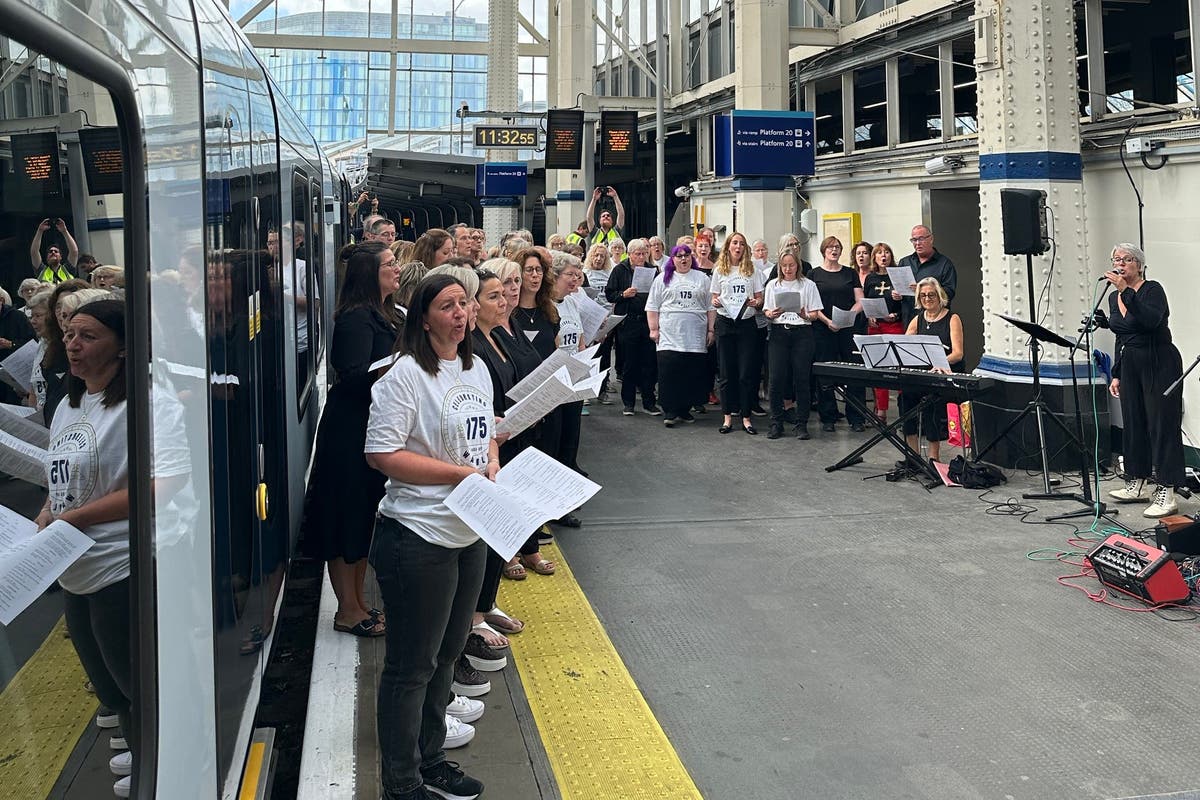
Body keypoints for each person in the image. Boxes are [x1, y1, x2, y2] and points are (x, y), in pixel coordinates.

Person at [40, 299, 189, 798]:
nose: (73, 346)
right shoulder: (70, 402)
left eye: (87, 336)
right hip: (74, 564)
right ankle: (145, 754)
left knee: (135, 685)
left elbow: (162, 484)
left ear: (123, 347)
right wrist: (48, 509)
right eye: (69, 336)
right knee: (108, 686)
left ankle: (165, 771)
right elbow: (62, 472)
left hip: (122, 564)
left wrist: (75, 517)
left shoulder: (149, 402)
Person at [365, 273, 494, 800]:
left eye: (465, 304)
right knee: (410, 666)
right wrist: (458, 475)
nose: (461, 314)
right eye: (448, 306)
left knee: (445, 657)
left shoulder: (476, 367)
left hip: (470, 530)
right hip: (417, 535)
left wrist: (489, 466)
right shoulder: (402, 376)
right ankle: (400, 780)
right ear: (423, 317)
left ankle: (432, 758)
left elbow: (485, 434)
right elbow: (381, 454)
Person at [298, 242, 401, 638]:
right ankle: (347, 610)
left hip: (372, 426)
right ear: (368, 274)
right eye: (389, 264)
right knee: (345, 519)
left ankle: (357, 602)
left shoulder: (385, 313)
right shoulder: (355, 319)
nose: (396, 269)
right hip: (350, 429)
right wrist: (396, 367)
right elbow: (352, 373)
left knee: (361, 519)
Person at [1101, 243, 1184, 518]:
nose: (1120, 264)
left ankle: (1166, 490)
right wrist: (1116, 372)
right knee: (1133, 422)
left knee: (1161, 424)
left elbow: (1150, 321)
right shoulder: (1114, 298)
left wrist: (1127, 292)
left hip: (1159, 360)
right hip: (1131, 363)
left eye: (1126, 260)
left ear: (1139, 265)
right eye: (1116, 259)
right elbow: (1120, 336)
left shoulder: (1152, 290)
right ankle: (1136, 481)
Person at [646, 245, 715, 427]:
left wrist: (711, 330)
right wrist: (654, 329)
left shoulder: (702, 279)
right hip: (669, 336)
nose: (683, 259)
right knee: (670, 373)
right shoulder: (663, 279)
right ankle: (670, 410)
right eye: (679, 256)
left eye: (686, 256)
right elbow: (652, 306)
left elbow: (711, 307)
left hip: (695, 336)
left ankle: (685, 409)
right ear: (673, 259)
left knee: (691, 373)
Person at [900, 277, 964, 463]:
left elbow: (958, 353)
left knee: (932, 404)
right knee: (906, 399)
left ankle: (933, 457)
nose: (927, 298)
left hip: (944, 375)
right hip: (922, 373)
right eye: (923, 295)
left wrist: (940, 363)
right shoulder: (917, 319)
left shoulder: (952, 318)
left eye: (931, 295)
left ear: (940, 295)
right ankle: (912, 455)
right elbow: (905, 346)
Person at [709, 232, 765, 435]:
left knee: (746, 374)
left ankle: (746, 417)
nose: (738, 246)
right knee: (725, 373)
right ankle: (727, 418)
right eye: (735, 243)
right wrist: (715, 302)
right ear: (728, 246)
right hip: (725, 323)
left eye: (742, 243)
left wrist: (756, 303)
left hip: (746, 324)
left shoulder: (753, 270)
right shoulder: (719, 270)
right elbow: (715, 297)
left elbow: (760, 299)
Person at [763, 250, 821, 440]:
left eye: (791, 265)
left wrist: (806, 315)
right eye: (784, 265)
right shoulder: (773, 285)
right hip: (780, 332)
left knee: (802, 378)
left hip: (802, 333)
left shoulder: (808, 285)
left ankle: (801, 423)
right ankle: (776, 422)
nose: (788, 269)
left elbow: (814, 313)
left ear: (798, 266)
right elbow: (767, 310)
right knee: (776, 378)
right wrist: (771, 314)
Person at [809, 236, 866, 433]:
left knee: (853, 372)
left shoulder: (850, 273)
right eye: (831, 247)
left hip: (849, 328)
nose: (834, 250)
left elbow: (860, 300)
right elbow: (811, 305)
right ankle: (828, 417)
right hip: (823, 329)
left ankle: (856, 417)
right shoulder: (813, 274)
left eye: (838, 247)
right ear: (823, 250)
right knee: (826, 373)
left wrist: (849, 315)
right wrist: (827, 321)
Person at [606, 239, 660, 416]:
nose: (641, 257)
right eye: (638, 254)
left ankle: (649, 402)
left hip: (647, 320)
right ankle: (628, 403)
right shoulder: (619, 270)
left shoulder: (653, 269)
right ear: (629, 254)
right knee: (630, 363)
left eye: (644, 253)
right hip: (628, 321)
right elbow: (610, 294)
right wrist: (624, 294)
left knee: (649, 363)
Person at [862, 243, 904, 421]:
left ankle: (904, 407)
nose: (883, 256)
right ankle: (881, 410)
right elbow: (866, 301)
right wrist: (869, 316)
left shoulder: (897, 276)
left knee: (900, 368)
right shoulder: (870, 278)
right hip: (876, 327)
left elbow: (909, 303)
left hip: (895, 325)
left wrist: (897, 310)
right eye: (879, 253)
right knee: (879, 369)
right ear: (875, 258)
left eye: (886, 252)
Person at [895, 225, 957, 324]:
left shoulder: (944, 264)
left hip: (935, 319)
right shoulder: (904, 262)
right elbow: (898, 288)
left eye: (921, 239)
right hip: (909, 318)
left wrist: (923, 290)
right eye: (914, 240)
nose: (917, 243)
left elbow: (949, 293)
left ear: (931, 239)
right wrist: (896, 295)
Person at [30, 218, 79, 282]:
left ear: (61, 257)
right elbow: (34, 252)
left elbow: (74, 252)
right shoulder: (41, 270)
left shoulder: (68, 269)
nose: (53, 252)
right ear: (47, 258)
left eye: (56, 251)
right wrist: (40, 231)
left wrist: (65, 231)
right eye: (50, 252)